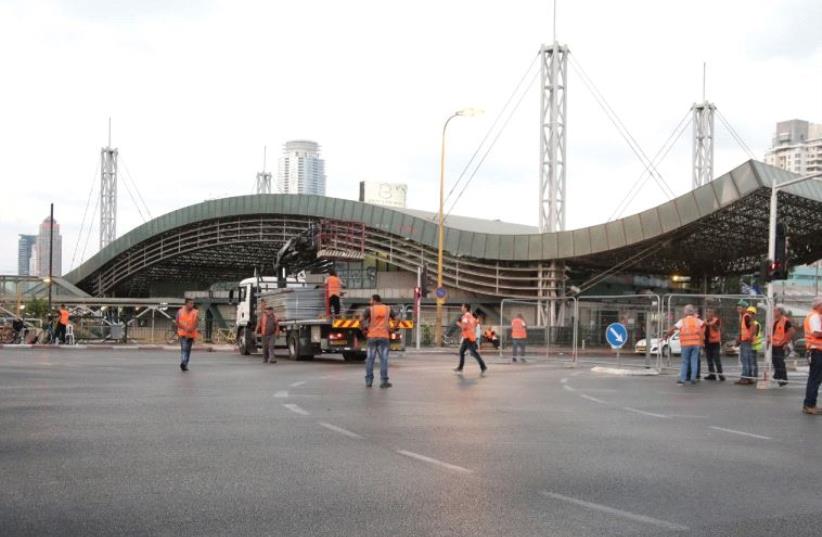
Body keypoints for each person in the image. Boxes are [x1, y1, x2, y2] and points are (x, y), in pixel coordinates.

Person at [361, 294, 395, 388]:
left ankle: (369, 381)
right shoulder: (388, 309)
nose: (370, 302)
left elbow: (361, 320)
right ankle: (384, 381)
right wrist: (393, 329)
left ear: (375, 300)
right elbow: (397, 319)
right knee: (383, 360)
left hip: (371, 337)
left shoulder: (369, 309)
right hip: (384, 337)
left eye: (370, 300)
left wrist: (363, 330)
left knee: (370, 360)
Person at [665, 304, 703, 385]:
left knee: (685, 362)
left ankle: (683, 379)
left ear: (686, 312)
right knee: (694, 361)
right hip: (696, 344)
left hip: (686, 344)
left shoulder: (682, 321)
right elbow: (703, 325)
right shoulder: (697, 320)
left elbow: (673, 328)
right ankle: (693, 378)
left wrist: (666, 335)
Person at [454, 303, 488, 376]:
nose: (461, 308)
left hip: (468, 338)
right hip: (469, 337)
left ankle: (483, 367)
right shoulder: (471, 316)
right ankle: (460, 368)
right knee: (462, 352)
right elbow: (476, 323)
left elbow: (464, 327)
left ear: (466, 308)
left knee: (473, 353)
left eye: (462, 307)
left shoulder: (465, 316)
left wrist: (458, 324)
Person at [802, 297, 822, 415]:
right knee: (815, 379)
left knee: (815, 378)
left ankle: (810, 404)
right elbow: (816, 333)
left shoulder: (815, 316)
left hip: (816, 350)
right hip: (817, 351)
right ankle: (809, 405)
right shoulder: (814, 316)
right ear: (819, 305)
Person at [735, 302, 756, 385]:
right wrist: (739, 339)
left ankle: (745, 378)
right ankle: (749, 377)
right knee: (748, 360)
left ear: (744, 308)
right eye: (738, 308)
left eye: (740, 308)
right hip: (745, 341)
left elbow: (753, 326)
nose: (738, 310)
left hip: (746, 341)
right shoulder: (744, 316)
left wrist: (750, 336)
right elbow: (744, 330)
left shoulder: (746, 316)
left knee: (745, 360)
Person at [175, 299, 199, 372]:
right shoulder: (180, 311)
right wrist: (184, 327)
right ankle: (183, 362)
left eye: (193, 303)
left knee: (188, 350)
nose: (192, 305)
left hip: (191, 334)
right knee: (184, 349)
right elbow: (177, 321)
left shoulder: (195, 312)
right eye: (190, 303)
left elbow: (196, 322)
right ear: (186, 304)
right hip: (182, 333)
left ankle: (185, 364)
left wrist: (191, 328)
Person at [703, 308, 724, 381]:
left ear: (713, 314)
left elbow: (717, 329)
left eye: (710, 312)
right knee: (709, 360)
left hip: (715, 343)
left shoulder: (716, 320)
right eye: (708, 312)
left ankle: (720, 375)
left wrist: (710, 324)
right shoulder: (705, 321)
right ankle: (712, 375)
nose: (708, 314)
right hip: (707, 343)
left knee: (716, 359)